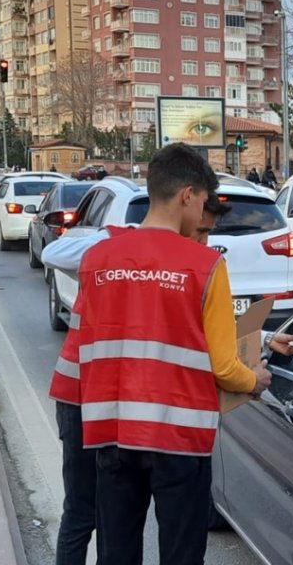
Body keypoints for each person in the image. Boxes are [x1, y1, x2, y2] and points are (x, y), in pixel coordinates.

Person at [74, 143, 270, 565]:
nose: (203, 215)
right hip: (179, 437)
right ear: (187, 194)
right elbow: (222, 366)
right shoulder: (204, 267)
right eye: (202, 202)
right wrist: (255, 379)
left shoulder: (96, 260)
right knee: (181, 554)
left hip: (112, 431)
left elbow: (88, 347)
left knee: (116, 553)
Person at [40, 195, 233, 565]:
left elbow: (187, 334)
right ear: (187, 200)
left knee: (112, 536)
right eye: (202, 229)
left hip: (114, 420)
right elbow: (56, 252)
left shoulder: (111, 261)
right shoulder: (111, 249)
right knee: (84, 513)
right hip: (106, 408)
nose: (203, 239)